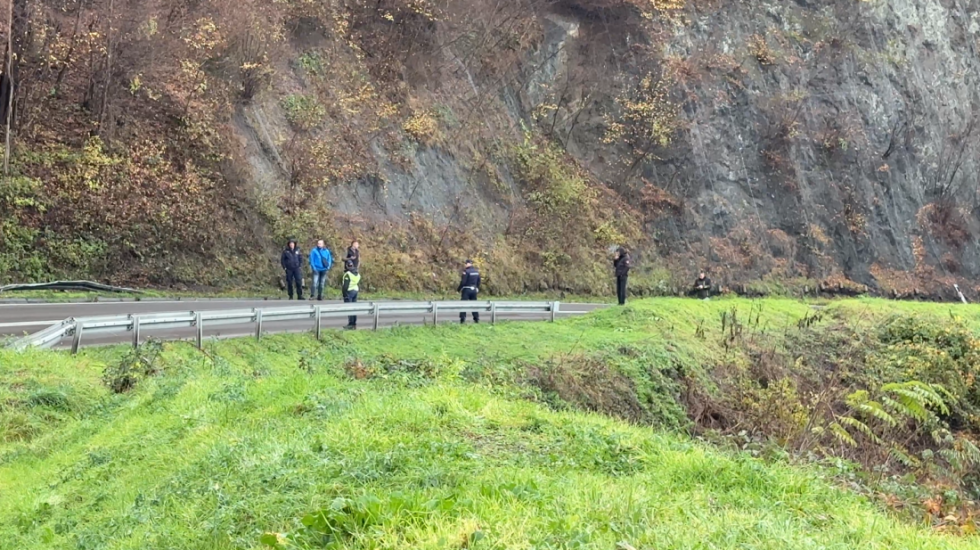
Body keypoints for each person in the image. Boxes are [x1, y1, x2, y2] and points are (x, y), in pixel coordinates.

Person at [457, 259, 481, 323]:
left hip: (466, 289)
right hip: (474, 290)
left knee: (463, 304)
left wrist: (459, 289)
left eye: (465, 264)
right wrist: (477, 288)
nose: (465, 265)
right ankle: (476, 318)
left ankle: (462, 319)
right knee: (474, 304)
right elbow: (479, 281)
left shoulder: (466, 272)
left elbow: (463, 282)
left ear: (467, 264)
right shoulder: (476, 272)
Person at [342, 260, 360, 329]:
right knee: (354, 308)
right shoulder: (357, 273)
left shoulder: (348, 274)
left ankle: (350, 324)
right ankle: (354, 324)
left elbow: (345, 286)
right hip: (355, 290)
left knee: (349, 309)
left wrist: (344, 294)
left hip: (349, 292)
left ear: (346, 265)